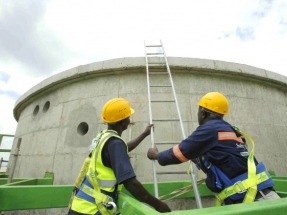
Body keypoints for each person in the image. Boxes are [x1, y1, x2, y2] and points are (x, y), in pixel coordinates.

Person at [147, 92, 280, 206]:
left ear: (203, 113)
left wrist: (157, 155)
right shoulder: (230, 129)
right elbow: (225, 158)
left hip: (253, 201)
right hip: (264, 196)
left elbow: (177, 154)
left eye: (198, 111)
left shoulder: (209, 130)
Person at [68, 98, 171, 215]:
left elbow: (123, 148)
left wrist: (144, 134)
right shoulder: (115, 144)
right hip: (91, 210)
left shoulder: (103, 137)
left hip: (80, 205)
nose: (129, 119)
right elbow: (131, 183)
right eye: (128, 116)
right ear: (123, 122)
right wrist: (159, 205)